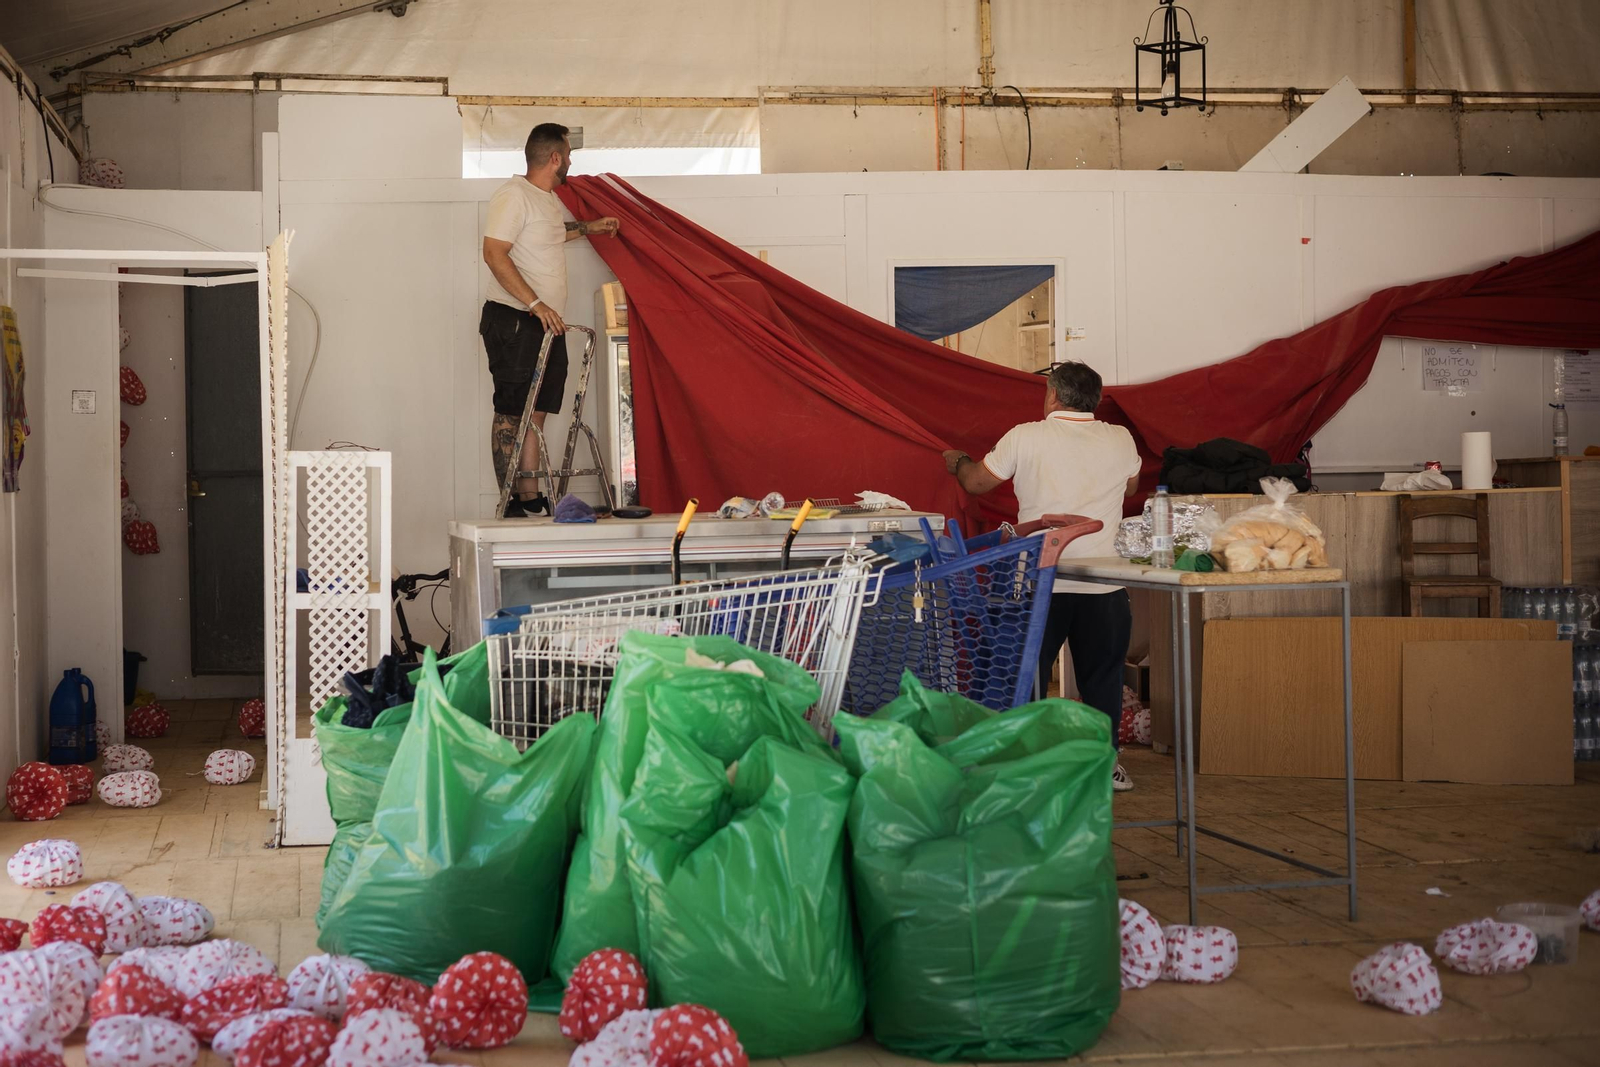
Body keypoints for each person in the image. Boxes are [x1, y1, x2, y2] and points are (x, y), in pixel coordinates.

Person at [941, 361, 1142, 791]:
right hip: (1102, 581)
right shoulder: (1120, 439)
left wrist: (956, 461)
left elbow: (976, 483)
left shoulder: (1026, 435)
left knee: (1028, 675)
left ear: (1052, 395)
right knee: (1103, 678)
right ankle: (1101, 766)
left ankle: (1027, 766)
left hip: (1037, 581)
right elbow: (1129, 487)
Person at [480, 122, 620, 517]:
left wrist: (589, 228)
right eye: (569, 156)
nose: (570, 164)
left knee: (537, 410)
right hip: (514, 319)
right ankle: (510, 501)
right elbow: (494, 254)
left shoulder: (545, 199)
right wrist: (535, 303)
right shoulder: (513, 195)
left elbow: (550, 235)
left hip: (545, 322)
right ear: (555, 157)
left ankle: (530, 496)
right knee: (513, 411)